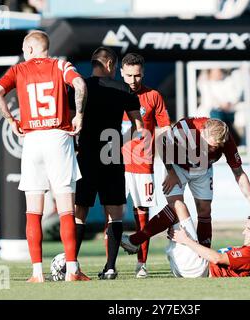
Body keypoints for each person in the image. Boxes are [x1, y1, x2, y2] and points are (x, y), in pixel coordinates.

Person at [0, 30, 88, 283]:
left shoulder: (18, 70)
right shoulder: (61, 65)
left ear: (31, 49)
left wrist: (11, 120)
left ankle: (37, 273)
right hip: (58, 137)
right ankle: (72, 271)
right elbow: (80, 84)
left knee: (33, 211)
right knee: (66, 208)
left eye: (25, 50)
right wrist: (78, 115)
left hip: (33, 140)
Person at [122, 117, 250, 253]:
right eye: (210, 145)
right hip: (177, 167)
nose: (212, 150)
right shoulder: (185, 129)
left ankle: (203, 257)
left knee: (204, 210)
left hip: (203, 170)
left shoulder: (226, 139)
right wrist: (171, 172)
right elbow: (161, 142)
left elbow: (239, 173)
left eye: (217, 147)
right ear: (203, 132)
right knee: (176, 207)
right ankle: (136, 240)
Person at [73, 47, 145, 280]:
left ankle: (72, 266)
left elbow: (70, 122)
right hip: (112, 152)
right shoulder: (124, 89)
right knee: (114, 213)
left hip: (85, 154)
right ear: (112, 65)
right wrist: (125, 140)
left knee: (80, 211)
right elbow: (139, 126)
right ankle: (111, 266)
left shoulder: (80, 87)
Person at [116, 52, 171, 278]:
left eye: (137, 75)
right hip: (115, 163)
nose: (133, 80)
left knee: (142, 215)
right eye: (128, 75)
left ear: (143, 73)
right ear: (121, 73)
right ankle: (110, 265)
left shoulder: (153, 96)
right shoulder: (113, 94)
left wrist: (169, 165)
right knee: (113, 215)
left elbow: (165, 130)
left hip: (142, 165)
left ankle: (142, 265)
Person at [121, 201, 250, 278]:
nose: (243, 232)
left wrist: (186, 240)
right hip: (195, 267)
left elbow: (216, 258)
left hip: (198, 268)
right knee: (174, 210)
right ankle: (135, 241)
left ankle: (134, 241)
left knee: (177, 205)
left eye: (248, 229)